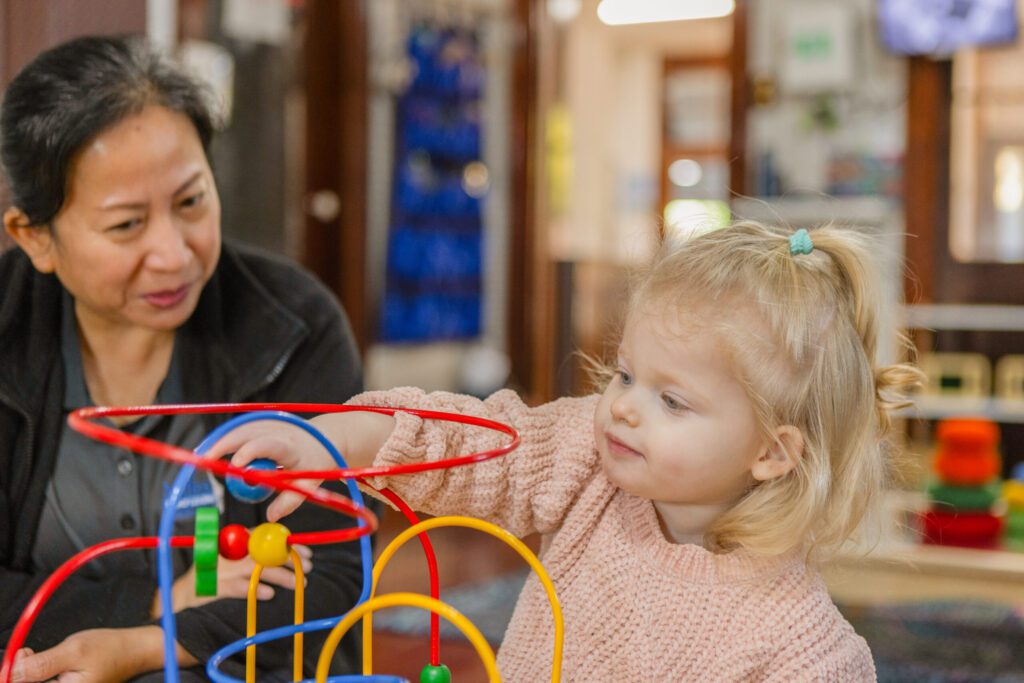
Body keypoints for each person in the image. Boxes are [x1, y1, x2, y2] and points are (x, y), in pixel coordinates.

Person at [212, 221, 923, 681]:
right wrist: (337, 438)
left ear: (773, 451)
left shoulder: (802, 649)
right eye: (625, 373)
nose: (623, 405)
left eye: (671, 400)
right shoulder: (592, 456)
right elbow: (477, 447)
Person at [0, 35, 367, 682]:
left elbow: (327, 580)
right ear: (36, 238)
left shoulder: (293, 326)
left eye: (192, 201)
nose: (175, 253)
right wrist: (152, 598)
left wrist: (140, 647)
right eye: (126, 225)